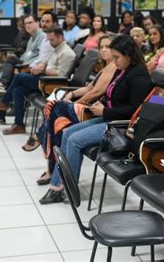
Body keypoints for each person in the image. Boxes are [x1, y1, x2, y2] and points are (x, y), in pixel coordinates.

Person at [39, 35, 153, 204]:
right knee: (67, 133)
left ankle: (64, 187)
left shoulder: (139, 76)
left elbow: (134, 111)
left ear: (128, 55)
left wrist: (105, 110)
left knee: (74, 140)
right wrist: (104, 103)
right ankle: (59, 184)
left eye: (117, 57)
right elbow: (113, 96)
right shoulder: (123, 70)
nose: (114, 61)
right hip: (108, 117)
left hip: (119, 125)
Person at [33, 35, 117, 185]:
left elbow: (96, 93)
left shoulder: (114, 67)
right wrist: (71, 94)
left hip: (92, 110)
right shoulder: (106, 67)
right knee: (56, 124)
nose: (104, 50)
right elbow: (89, 87)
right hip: (89, 107)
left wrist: (74, 104)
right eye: (101, 47)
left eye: (108, 47)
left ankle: (40, 139)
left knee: (54, 108)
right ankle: (50, 163)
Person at [0, 26, 76, 135]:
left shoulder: (67, 53)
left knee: (19, 77)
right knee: (17, 90)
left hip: (52, 84)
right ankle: (19, 125)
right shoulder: (55, 48)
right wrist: (41, 65)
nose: (50, 42)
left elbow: (61, 74)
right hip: (44, 79)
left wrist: (42, 69)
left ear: (60, 37)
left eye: (52, 40)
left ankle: (4, 102)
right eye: (48, 40)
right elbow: (46, 62)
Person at [0, 13, 54, 125]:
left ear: (36, 23)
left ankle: (2, 95)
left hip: (37, 72)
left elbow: (41, 60)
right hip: (28, 66)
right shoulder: (32, 38)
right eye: (26, 24)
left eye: (30, 23)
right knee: (14, 79)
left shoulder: (44, 38)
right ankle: (9, 116)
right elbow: (28, 55)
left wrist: (23, 67)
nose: (27, 26)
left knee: (14, 74)